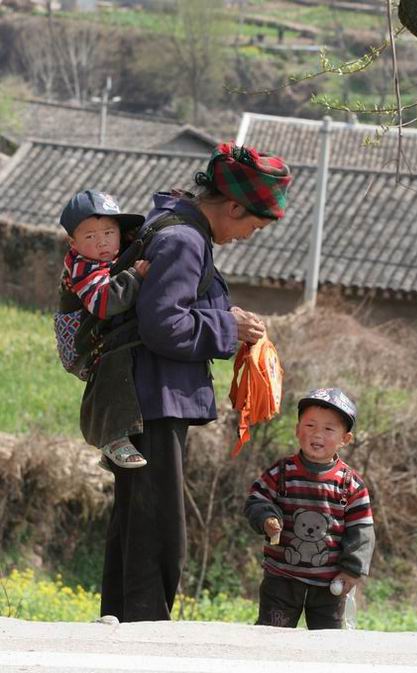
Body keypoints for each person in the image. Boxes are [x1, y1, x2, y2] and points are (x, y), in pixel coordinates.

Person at [99, 141, 292, 622]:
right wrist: (229, 328)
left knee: (136, 520)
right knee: (158, 527)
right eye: (252, 224)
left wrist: (221, 317)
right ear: (232, 206)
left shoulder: (171, 226)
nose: (249, 234)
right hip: (154, 399)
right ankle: (145, 628)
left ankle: (121, 624)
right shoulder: (184, 240)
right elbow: (163, 324)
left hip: (141, 396)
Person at [244, 387, 375, 630]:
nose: (318, 434)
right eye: (310, 426)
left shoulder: (350, 484)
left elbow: (362, 529)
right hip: (281, 577)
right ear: (297, 430)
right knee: (272, 635)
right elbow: (256, 499)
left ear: (345, 439)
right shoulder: (281, 472)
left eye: (328, 429)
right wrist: (267, 518)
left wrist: (352, 570)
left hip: (329, 584)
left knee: (327, 643)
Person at [58, 189, 149, 469]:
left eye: (109, 233)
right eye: (90, 237)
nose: (102, 243)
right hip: (79, 343)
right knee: (115, 359)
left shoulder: (112, 253)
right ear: (73, 243)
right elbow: (103, 303)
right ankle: (112, 438)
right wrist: (134, 276)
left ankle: (112, 452)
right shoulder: (83, 266)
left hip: (96, 332)